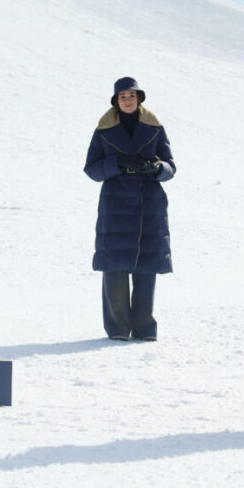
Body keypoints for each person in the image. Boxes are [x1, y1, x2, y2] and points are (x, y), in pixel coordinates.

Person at [84, 77, 175, 340]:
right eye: (122, 96)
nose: (127, 100)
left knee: (147, 266)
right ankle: (118, 328)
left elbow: (171, 166)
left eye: (132, 95)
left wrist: (158, 169)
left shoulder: (155, 127)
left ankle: (145, 328)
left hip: (150, 203)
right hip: (116, 204)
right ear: (116, 100)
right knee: (115, 266)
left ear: (139, 98)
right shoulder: (103, 130)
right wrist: (117, 163)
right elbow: (92, 169)